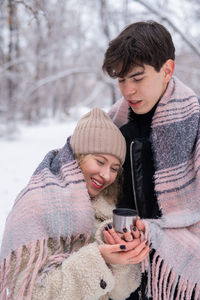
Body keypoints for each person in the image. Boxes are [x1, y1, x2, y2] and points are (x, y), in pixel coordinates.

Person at [0, 107, 150, 300]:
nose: (106, 175)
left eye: (114, 168)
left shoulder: (106, 207)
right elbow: (27, 293)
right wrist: (98, 259)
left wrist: (121, 257)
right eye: (99, 161)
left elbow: (121, 293)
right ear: (78, 156)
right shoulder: (37, 205)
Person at [102, 20, 200, 300]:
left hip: (180, 278)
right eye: (121, 80)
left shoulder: (195, 125)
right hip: (125, 276)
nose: (127, 90)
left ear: (167, 70)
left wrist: (156, 231)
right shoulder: (112, 125)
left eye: (137, 78)